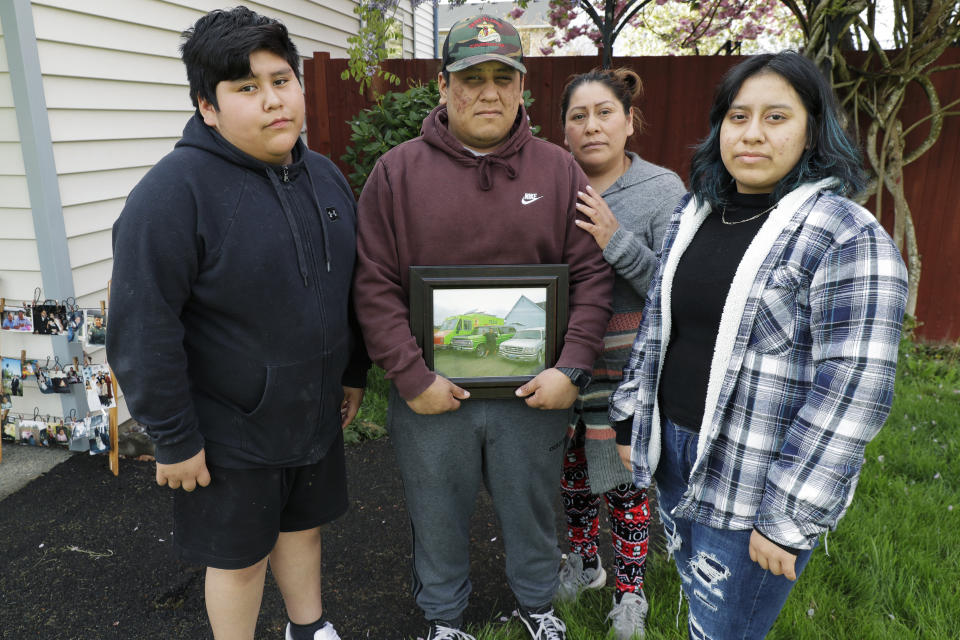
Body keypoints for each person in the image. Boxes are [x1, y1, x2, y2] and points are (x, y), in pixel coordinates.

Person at [609, 51, 908, 639]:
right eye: (738, 116)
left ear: (812, 131)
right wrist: (629, 422)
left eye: (776, 117)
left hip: (756, 479)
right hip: (674, 453)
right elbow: (658, 326)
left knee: (726, 630)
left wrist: (788, 516)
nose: (751, 133)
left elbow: (853, 395)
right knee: (698, 606)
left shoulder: (846, 236)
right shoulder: (694, 215)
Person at [106, 8, 368, 640]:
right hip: (227, 428)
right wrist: (173, 437)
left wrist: (353, 372)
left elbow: (346, 286)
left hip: (311, 411)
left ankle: (309, 628)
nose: (273, 101)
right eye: (246, 88)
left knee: (301, 528)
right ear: (208, 107)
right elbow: (142, 326)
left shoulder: (325, 176)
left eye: (281, 80)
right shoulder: (173, 195)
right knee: (240, 557)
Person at [353, 15, 613, 640]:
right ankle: (444, 619)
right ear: (443, 86)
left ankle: (538, 604)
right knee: (436, 510)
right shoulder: (396, 174)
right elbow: (373, 285)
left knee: (530, 507)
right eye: (472, 78)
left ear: (522, 88)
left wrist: (572, 369)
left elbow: (591, 278)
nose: (489, 93)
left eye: (504, 78)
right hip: (431, 398)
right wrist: (411, 379)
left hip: (535, 393)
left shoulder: (557, 171)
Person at [555, 67, 686, 639]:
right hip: (564, 359)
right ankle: (585, 564)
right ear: (563, 131)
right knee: (572, 476)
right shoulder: (550, 183)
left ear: (630, 122)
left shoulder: (663, 190)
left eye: (604, 113)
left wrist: (615, 239)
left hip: (629, 365)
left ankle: (630, 592)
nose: (591, 127)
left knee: (628, 482)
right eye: (578, 116)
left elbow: (678, 286)